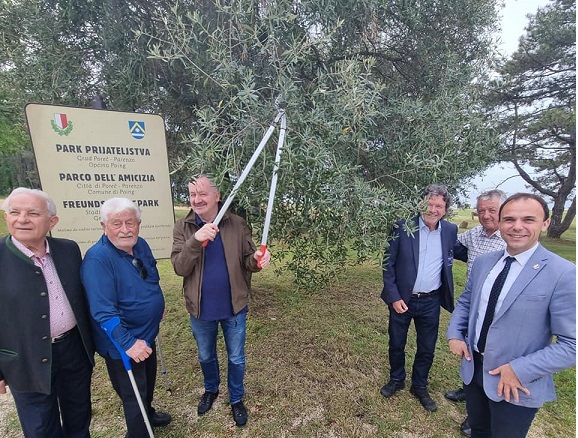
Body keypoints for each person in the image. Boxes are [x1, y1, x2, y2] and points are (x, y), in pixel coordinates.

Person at [447, 193, 575, 438]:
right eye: (509, 219)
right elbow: (466, 301)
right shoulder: (485, 262)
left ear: (545, 223)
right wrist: (455, 333)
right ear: (500, 222)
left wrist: (519, 369)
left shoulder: (564, 274)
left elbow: (572, 346)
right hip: (474, 371)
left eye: (528, 219)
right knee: (479, 431)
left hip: (515, 384)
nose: (517, 227)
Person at [171, 175, 271, 427]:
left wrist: (258, 260)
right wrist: (196, 240)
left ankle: (236, 398)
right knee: (206, 356)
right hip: (200, 308)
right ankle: (211, 390)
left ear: (217, 196)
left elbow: (248, 261)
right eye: (192, 194)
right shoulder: (183, 228)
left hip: (233, 307)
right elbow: (180, 268)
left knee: (236, 358)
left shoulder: (236, 224)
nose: (196, 199)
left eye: (202, 194)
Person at [0, 187, 94, 437]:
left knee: (79, 414)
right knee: (40, 426)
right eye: (14, 212)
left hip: (73, 349)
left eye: (32, 213)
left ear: (52, 221)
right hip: (26, 358)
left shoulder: (68, 249)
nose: (22, 219)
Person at [81, 198, 171, 437]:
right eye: (116, 223)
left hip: (147, 333)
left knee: (147, 382)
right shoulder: (97, 259)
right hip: (123, 341)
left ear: (138, 223)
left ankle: (148, 414)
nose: (125, 229)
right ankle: (138, 431)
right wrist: (129, 343)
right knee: (134, 393)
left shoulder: (140, 244)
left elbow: (150, 276)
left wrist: (156, 304)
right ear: (103, 226)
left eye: (130, 222)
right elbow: (102, 311)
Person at [380, 184, 458, 412]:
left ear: (445, 209)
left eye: (439, 206)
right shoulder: (402, 227)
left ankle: (419, 385)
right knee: (396, 342)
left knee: (427, 347)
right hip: (402, 299)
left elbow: (457, 252)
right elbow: (388, 265)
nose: (433, 209)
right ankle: (396, 379)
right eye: (429, 204)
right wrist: (393, 297)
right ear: (421, 204)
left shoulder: (450, 231)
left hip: (431, 301)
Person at [446, 189, 508, 437]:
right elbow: (452, 243)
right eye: (481, 210)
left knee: (491, 357)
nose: (486, 215)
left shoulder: (510, 237)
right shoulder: (475, 234)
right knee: (470, 350)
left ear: (503, 210)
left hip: (500, 310)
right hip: (473, 305)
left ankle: (478, 416)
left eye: (492, 210)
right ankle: (468, 389)